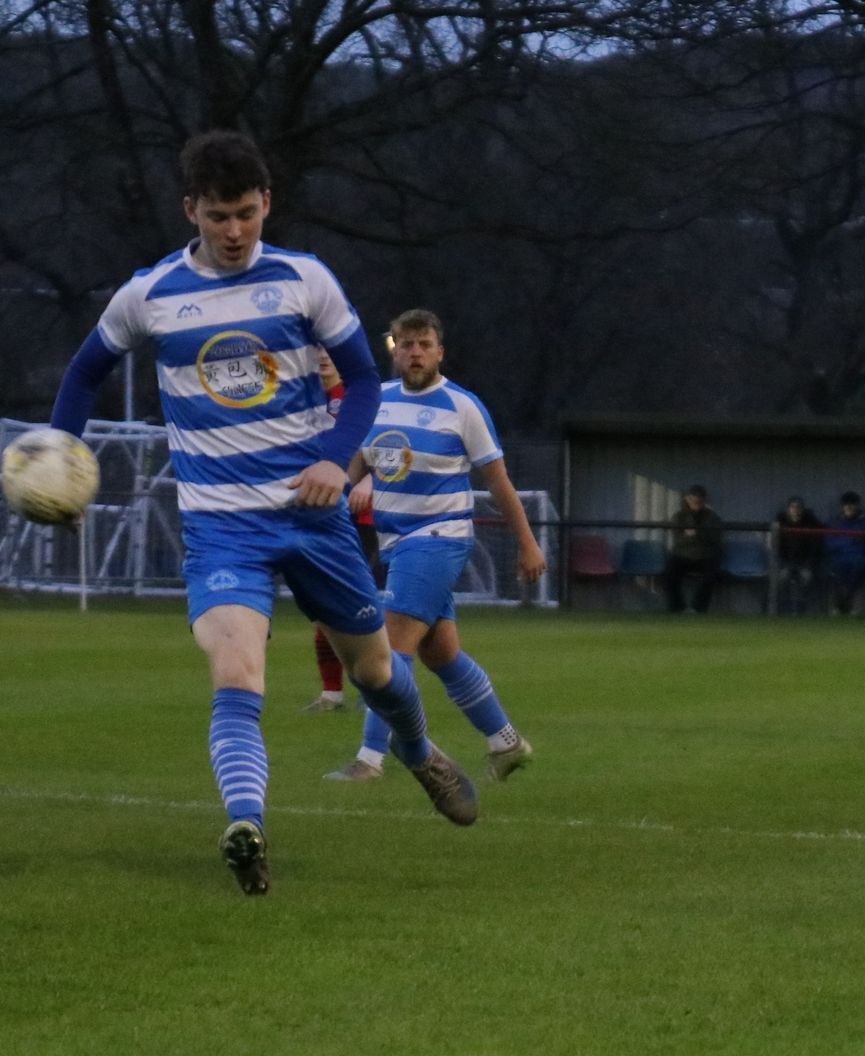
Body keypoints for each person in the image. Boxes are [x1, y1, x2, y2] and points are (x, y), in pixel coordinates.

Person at [47, 130, 476, 895]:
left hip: (312, 516)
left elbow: (362, 383)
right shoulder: (149, 294)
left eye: (246, 213)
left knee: (376, 670)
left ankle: (420, 755)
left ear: (267, 203)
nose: (235, 231)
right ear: (191, 210)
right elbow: (83, 376)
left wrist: (334, 459)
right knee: (237, 672)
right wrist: (61, 460)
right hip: (221, 527)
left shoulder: (305, 280)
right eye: (219, 216)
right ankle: (246, 825)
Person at [322, 309, 547, 784]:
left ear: (440, 352)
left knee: (389, 650)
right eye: (406, 345)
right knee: (441, 654)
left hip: (439, 538)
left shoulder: (463, 407)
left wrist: (528, 543)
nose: (415, 353)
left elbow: (499, 482)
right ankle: (505, 743)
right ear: (395, 352)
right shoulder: (377, 401)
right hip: (396, 542)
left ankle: (369, 760)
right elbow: (355, 467)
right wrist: (326, 501)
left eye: (424, 344)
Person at [303, 348, 385, 714]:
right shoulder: (301, 400)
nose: (323, 357)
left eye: (329, 350)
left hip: (360, 518)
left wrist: (371, 480)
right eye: (315, 349)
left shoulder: (360, 400)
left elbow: (389, 448)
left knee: (362, 605)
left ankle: (377, 689)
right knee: (324, 607)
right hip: (316, 515)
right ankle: (332, 693)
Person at [665, 485, 723, 613]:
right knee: (670, 574)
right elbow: (678, 538)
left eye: (699, 498)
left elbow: (715, 538)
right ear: (687, 499)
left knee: (710, 576)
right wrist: (698, 535)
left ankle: (698, 609)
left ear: (704, 500)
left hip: (705, 555)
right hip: (683, 555)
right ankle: (678, 608)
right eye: (693, 498)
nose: (696, 501)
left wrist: (696, 534)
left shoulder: (712, 517)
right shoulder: (679, 516)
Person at [824, 491, 865, 615]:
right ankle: (840, 606)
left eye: (852, 504)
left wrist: (845, 539)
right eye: (846, 504)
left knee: (860, 567)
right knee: (833, 570)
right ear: (842, 506)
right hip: (839, 558)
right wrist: (852, 539)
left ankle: (846, 603)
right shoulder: (834, 522)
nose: (849, 507)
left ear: (858, 505)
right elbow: (829, 543)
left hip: (861, 558)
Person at [775, 495, 824, 614]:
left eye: (799, 508)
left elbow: (815, 547)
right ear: (788, 509)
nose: (796, 511)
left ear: (803, 510)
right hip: (786, 561)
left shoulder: (811, 523)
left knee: (807, 577)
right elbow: (775, 547)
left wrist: (809, 562)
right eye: (793, 507)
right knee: (783, 577)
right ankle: (785, 606)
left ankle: (801, 605)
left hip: (804, 562)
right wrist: (782, 561)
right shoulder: (780, 522)